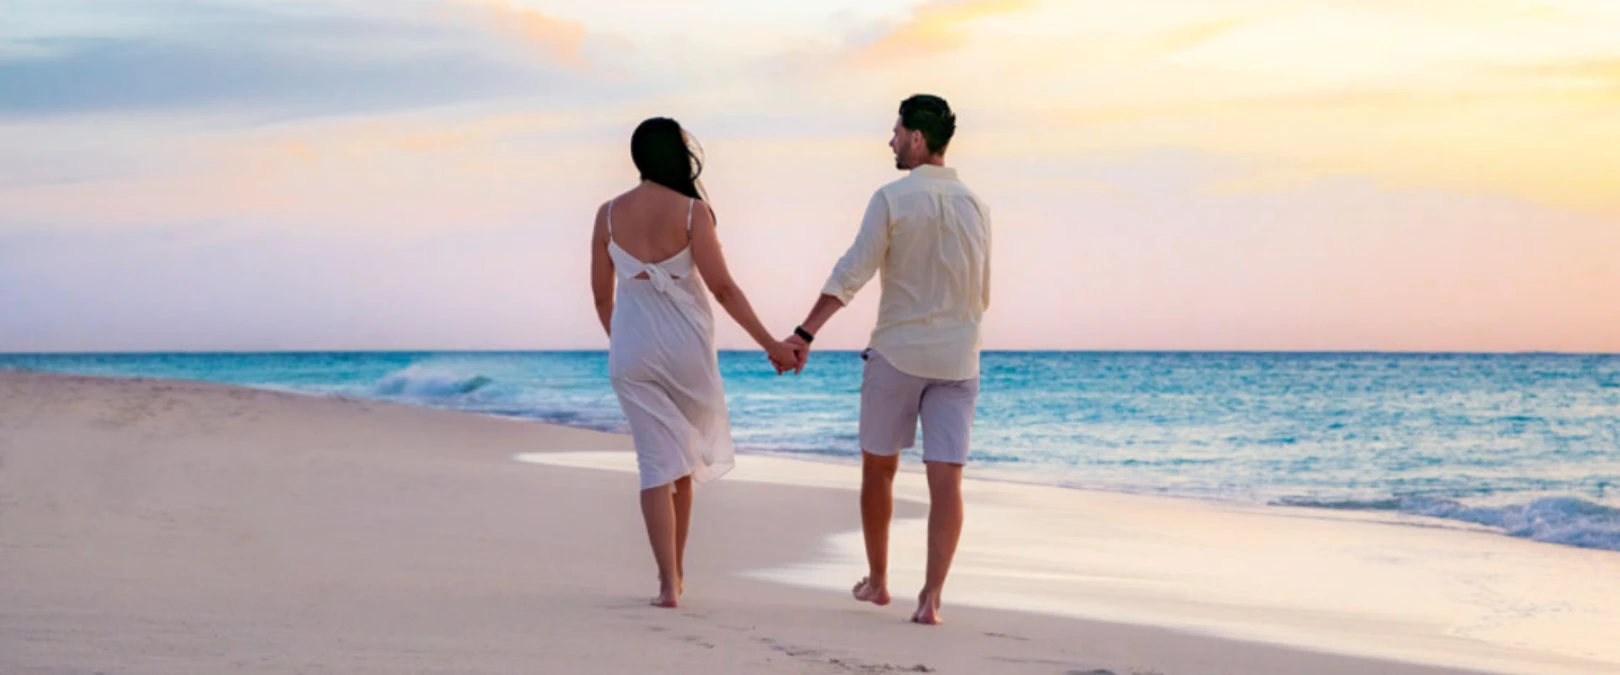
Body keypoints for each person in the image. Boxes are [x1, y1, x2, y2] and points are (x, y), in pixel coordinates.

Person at [782, 95, 991, 625]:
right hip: (959, 359)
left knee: (879, 469)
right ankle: (931, 598)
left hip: (898, 353)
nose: (891, 141)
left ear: (917, 139)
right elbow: (982, 292)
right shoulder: (976, 205)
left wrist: (805, 332)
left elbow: (853, 270)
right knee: (947, 480)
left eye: (897, 132)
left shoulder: (891, 198)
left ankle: (878, 582)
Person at [591, 117, 800, 608]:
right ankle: (676, 577)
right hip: (685, 349)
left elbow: (602, 298)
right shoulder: (692, 212)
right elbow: (723, 289)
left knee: (655, 464)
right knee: (681, 463)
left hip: (631, 350)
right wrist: (771, 344)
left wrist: (625, 343)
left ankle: (668, 581)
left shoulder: (608, 215)